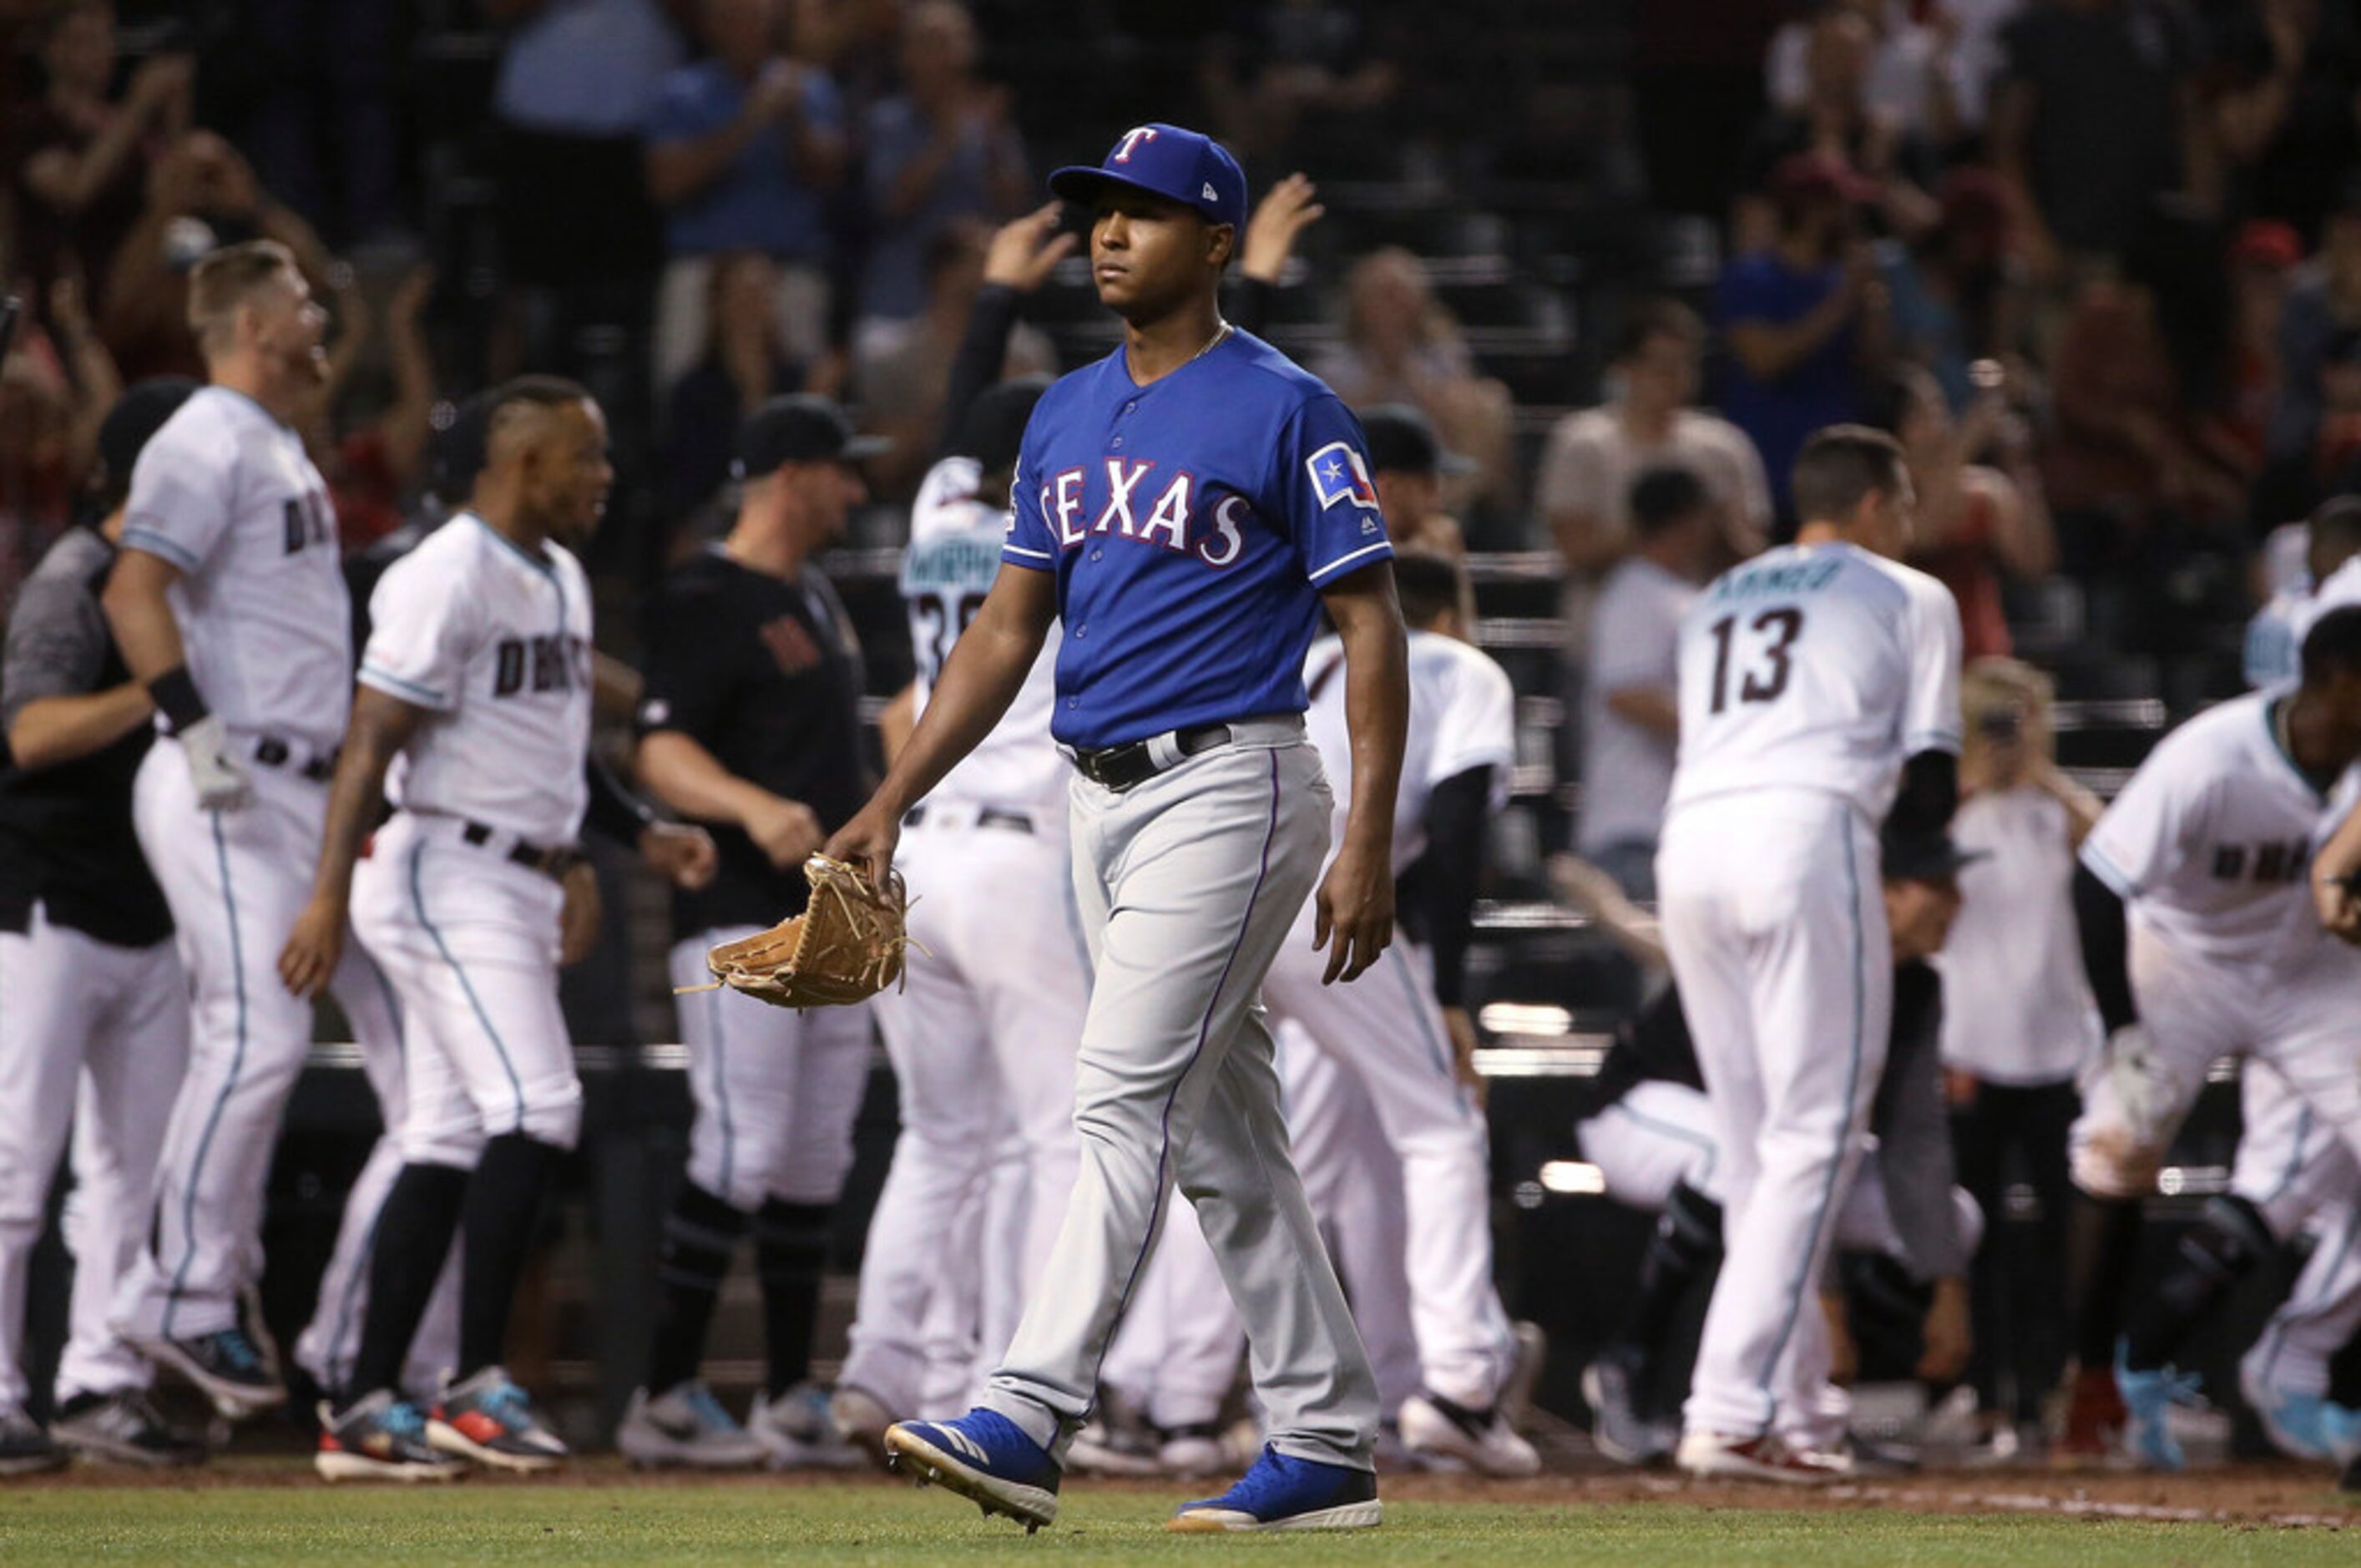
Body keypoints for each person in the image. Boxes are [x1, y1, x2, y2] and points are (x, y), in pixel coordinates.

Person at [823, 122, 1408, 1534]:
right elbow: (1002, 631)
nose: (1105, 231)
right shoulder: (1061, 412)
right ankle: (1325, 1438)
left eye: (1142, 212)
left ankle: (1027, 1410)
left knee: (1116, 1090)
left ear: (1214, 243)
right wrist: (888, 793)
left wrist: (1368, 835)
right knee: (1220, 1134)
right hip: (1089, 797)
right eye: (1095, 210)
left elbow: (1369, 622)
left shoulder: (1287, 406)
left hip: (1234, 780)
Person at [277, 377, 715, 1480]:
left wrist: (623, 840)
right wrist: (327, 893)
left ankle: (363, 1404)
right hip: (443, 866)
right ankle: (472, 1381)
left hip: (513, 870)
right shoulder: (446, 569)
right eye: (587, 456)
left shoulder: (559, 573)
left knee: (447, 1133)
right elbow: (372, 741)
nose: (604, 476)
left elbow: (551, 747)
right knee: (541, 1105)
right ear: (523, 464)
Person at [1656, 425, 1963, 1481]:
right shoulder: (1906, 592)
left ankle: (1791, 1409)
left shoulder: (1716, 596)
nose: (1911, 526)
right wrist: (1924, 865)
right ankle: (1730, 1407)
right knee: (1817, 1132)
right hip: (1806, 830)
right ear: (1876, 505)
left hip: (1690, 837)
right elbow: (1927, 766)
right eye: (1908, 506)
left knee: (1754, 1147)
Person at [95, 240, 346, 1418]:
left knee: (253, 1036)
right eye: (297, 299)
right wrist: (192, 731)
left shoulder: (274, 439)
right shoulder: (201, 432)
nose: (314, 313)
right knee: (258, 1033)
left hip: (292, 779)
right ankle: (180, 1295)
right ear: (249, 323)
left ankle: (211, 1289)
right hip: (227, 769)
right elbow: (131, 585)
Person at [617, 394, 882, 1469]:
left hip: (826, 919)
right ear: (788, 475)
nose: (854, 491)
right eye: (839, 470)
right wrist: (749, 807)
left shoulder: (811, 596)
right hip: (736, 911)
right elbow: (658, 751)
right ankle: (666, 1394)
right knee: (741, 1144)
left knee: (814, 1158)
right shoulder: (705, 594)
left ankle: (786, 1396)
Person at [827, 377, 1085, 1458]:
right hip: (1018, 857)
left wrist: (996, 296)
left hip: (921, 848)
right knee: (1055, 1139)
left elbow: (956, 438)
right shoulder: (1053, 543)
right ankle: (1011, 1390)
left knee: (939, 1137)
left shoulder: (935, 521)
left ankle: (878, 1369)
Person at [1565, 826, 1984, 1468]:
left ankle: (1817, 1406)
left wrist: (1948, 1289)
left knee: (1954, 1221)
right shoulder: (1813, 955)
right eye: (1939, 886)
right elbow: (1785, 1140)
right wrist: (1826, 1305)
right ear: (1887, 895)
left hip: (1761, 1154)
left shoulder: (1918, 986)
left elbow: (1915, 1144)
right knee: (1731, 1161)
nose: (1957, 903)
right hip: (1637, 1111)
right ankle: (1629, 1361)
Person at [1257, 550, 1535, 1475]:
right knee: (1443, 1127)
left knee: (1302, 1155)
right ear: (1448, 611)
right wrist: (1450, 995)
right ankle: (1460, 1384)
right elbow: (1456, 833)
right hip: (1327, 897)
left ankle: (1168, 1395)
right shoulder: (1460, 665)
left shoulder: (1312, 660)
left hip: (1239, 891)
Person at [2063, 607, 2361, 1470]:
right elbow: (2096, 886)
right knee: (2117, 1148)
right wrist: (2124, 1036)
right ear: (2339, 680)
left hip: (2310, 973)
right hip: (2181, 961)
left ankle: (2310, 1380)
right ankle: (2089, 1388)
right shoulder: (2210, 754)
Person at [0, 380, 206, 1474]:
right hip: (46, 906)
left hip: (152, 912)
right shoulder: (78, 576)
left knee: (137, 1169)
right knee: (14, 1161)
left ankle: (99, 1380)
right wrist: (166, 687)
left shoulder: (190, 585)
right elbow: (29, 731)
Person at [1936, 656, 2101, 1456]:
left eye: (2019, 719)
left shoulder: (2053, 810)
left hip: (2056, 1051)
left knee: (2060, 1232)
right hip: (1971, 1046)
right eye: (1995, 720)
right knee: (1983, 1232)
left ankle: (2052, 1389)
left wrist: (2039, 774)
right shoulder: (1953, 812)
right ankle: (1987, 1390)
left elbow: (2116, 853)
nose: (2008, 737)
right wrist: (1974, 775)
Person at [646, 0, 848, 392]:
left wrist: (795, 122)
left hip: (790, 266)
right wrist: (751, 119)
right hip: (703, 270)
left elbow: (831, 180)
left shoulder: (808, 87)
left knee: (802, 403)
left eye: (754, 17)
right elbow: (665, 185)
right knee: (681, 395)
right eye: (732, 17)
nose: (745, 28)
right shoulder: (683, 92)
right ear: (711, 25)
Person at [1538, 298, 1770, 582]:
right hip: (1607, 616)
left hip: (1699, 613)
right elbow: (1574, 553)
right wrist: (1660, 527)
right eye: (1662, 365)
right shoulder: (1583, 443)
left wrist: (1717, 530)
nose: (1675, 377)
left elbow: (1754, 556)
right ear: (1625, 368)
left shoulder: (1724, 447)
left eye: (1686, 363)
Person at [1715, 157, 1888, 516]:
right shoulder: (1752, 278)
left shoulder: (1843, 279)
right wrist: (1842, 301)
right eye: (1841, 207)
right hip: (1774, 464)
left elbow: (1875, 365)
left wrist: (1872, 306)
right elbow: (1765, 361)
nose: (1850, 219)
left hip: (1840, 468)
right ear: (1812, 212)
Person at [1578, 467, 1718, 899]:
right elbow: (1627, 693)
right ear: (1689, 520)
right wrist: (1722, 727)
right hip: (1633, 826)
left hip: (1669, 824)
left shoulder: (1678, 592)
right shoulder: (1636, 594)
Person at [857, 2, 1029, 346]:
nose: (951, 55)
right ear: (907, 54)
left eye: (959, 40)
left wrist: (993, 143)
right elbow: (892, 204)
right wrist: (948, 136)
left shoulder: (989, 124)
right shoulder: (886, 122)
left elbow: (1015, 209)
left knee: (1029, 353)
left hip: (976, 287)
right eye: (936, 42)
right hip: (902, 296)